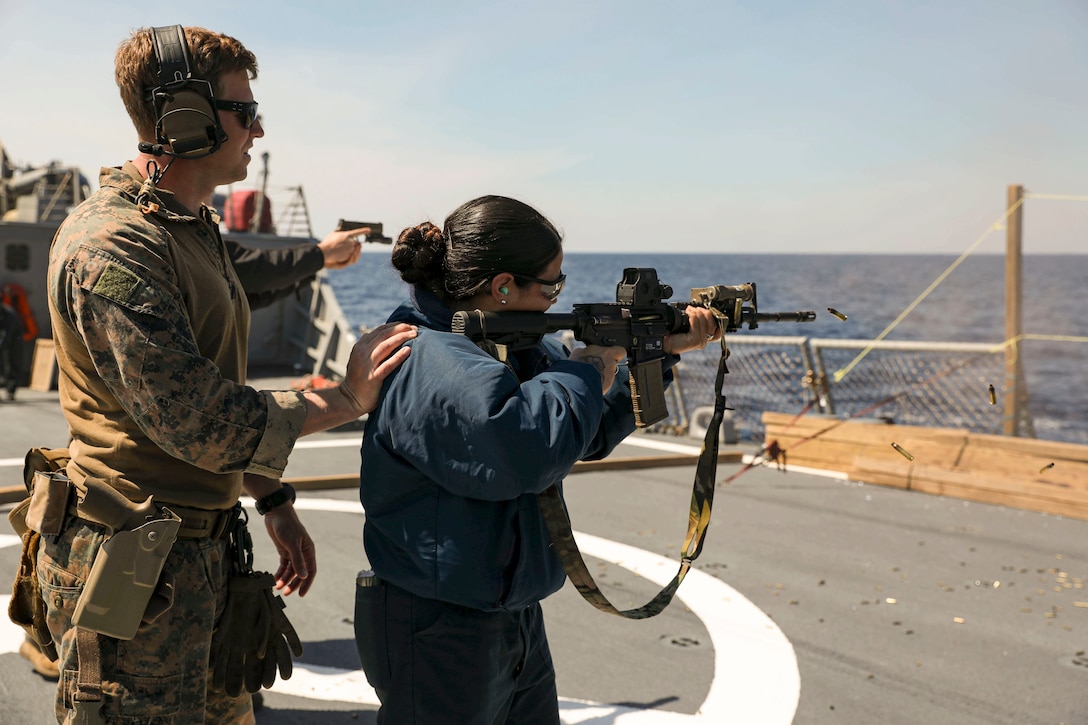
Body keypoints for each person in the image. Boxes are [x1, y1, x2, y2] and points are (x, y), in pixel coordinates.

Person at [37, 25, 415, 724]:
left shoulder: (183, 226)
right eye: (245, 111)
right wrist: (350, 395)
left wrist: (271, 498)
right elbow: (200, 420)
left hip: (196, 561)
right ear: (185, 119)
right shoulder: (114, 247)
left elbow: (223, 321)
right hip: (135, 580)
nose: (259, 128)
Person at [353, 194, 721, 724]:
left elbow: (577, 434)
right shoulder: (428, 356)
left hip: (509, 614)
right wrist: (596, 359)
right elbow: (527, 449)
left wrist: (659, 354)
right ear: (503, 286)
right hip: (439, 626)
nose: (556, 299)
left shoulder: (504, 345)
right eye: (551, 286)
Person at [0, 299, 25, 400]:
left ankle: (11, 390)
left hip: (15, 339)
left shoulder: (9, 314)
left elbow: (8, 335)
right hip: (3, 338)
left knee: (13, 363)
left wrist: (1, 345)